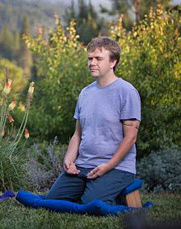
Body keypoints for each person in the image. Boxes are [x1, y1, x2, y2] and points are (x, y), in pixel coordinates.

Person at [46, 37, 141, 205]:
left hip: (117, 167)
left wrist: (108, 166)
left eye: (98, 58)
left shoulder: (127, 92)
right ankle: (93, 189)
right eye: (90, 58)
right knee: (53, 199)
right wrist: (69, 159)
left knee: (90, 203)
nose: (92, 63)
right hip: (83, 165)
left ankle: (114, 192)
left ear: (113, 62)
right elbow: (77, 134)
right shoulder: (85, 93)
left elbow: (130, 138)